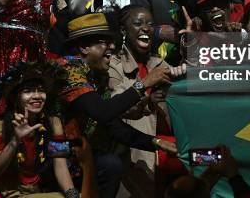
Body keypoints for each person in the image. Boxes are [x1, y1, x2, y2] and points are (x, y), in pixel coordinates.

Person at [57, 13, 177, 198]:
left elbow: (113, 125)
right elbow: (103, 112)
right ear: (84, 47)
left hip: (80, 153)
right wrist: (143, 84)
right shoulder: (67, 71)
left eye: (111, 42)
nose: (112, 47)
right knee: (110, 163)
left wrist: (158, 143)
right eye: (104, 42)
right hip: (55, 153)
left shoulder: (95, 76)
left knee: (110, 163)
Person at [108, 5, 183, 197]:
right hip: (135, 153)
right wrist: (146, 100)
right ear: (124, 31)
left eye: (150, 24)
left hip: (171, 149)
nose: (146, 28)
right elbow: (117, 108)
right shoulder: (114, 67)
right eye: (138, 23)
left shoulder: (159, 63)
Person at [0, 59, 78, 197]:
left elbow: (61, 166)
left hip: (38, 191)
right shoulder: (0, 124)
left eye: (41, 91)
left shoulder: (54, 123)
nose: (36, 96)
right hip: (6, 192)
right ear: (15, 98)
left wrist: (73, 195)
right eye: (28, 91)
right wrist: (15, 141)